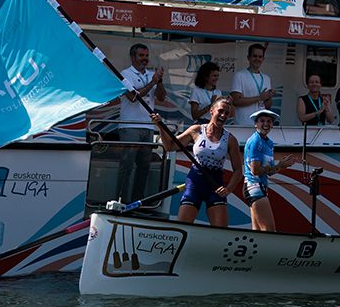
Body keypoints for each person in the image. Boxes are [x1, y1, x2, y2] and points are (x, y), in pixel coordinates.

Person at [150, 97, 241, 227]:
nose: (223, 115)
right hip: (195, 183)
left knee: (221, 231)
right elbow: (170, 146)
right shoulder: (196, 130)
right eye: (220, 111)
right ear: (212, 111)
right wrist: (160, 126)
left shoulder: (231, 140)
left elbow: (238, 170)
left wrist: (228, 189)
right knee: (183, 227)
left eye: (226, 113)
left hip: (215, 186)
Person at [116, 43, 166, 202]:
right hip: (130, 125)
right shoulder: (125, 74)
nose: (145, 59)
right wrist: (152, 82)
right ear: (133, 57)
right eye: (141, 56)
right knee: (127, 166)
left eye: (146, 56)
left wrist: (159, 81)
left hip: (148, 126)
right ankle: (120, 201)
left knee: (144, 167)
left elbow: (161, 97)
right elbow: (132, 97)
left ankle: (138, 201)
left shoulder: (151, 74)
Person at [243, 108, 298, 231]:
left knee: (257, 231)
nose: (266, 124)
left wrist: (281, 165)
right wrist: (278, 166)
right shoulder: (255, 140)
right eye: (262, 121)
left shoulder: (269, 143)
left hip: (261, 186)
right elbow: (255, 171)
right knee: (268, 230)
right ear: (255, 124)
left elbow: (270, 172)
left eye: (269, 121)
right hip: (254, 186)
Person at [230, 43, 273, 119]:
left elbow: (267, 106)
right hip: (243, 123)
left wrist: (269, 97)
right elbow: (236, 101)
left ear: (263, 59)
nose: (257, 59)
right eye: (254, 56)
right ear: (248, 57)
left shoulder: (266, 78)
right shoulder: (239, 75)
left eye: (260, 57)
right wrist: (259, 98)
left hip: (260, 123)